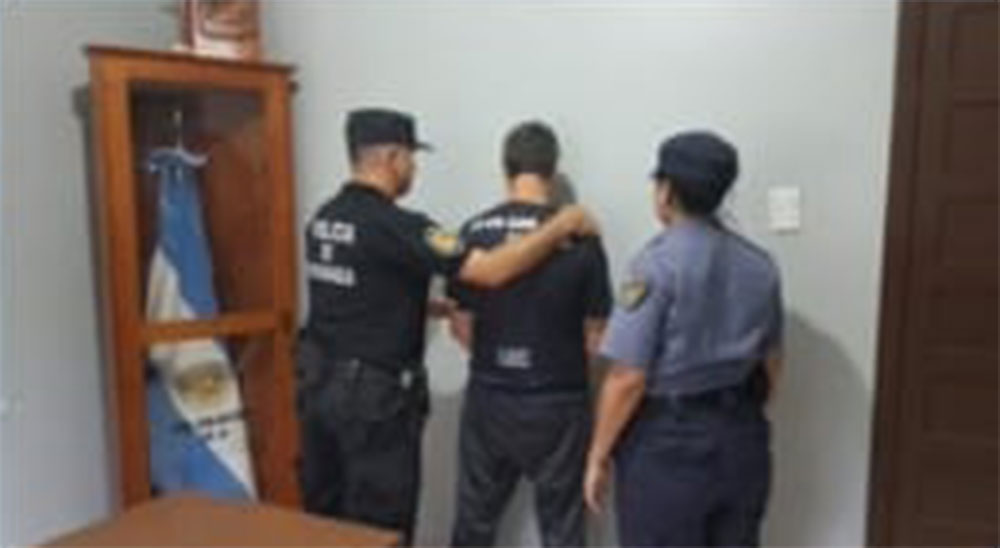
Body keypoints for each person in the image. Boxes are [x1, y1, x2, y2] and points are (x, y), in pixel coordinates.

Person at [296, 108, 598, 545]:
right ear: (393, 157)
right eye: (411, 158)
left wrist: (432, 308)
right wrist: (561, 225)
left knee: (324, 521)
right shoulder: (398, 227)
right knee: (380, 528)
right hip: (374, 403)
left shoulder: (325, 219)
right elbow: (490, 271)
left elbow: (361, 292)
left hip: (319, 389)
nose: (414, 169)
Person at [583, 131, 784, 547]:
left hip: (668, 447)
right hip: (742, 438)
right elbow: (772, 363)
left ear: (666, 191)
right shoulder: (761, 265)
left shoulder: (655, 265)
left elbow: (627, 378)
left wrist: (597, 456)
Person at [446, 122, 613, 547]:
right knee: (562, 530)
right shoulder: (581, 237)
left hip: (490, 394)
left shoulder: (473, 232)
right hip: (558, 398)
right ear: (551, 173)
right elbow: (596, 338)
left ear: (505, 169)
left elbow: (460, 325)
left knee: (474, 523)